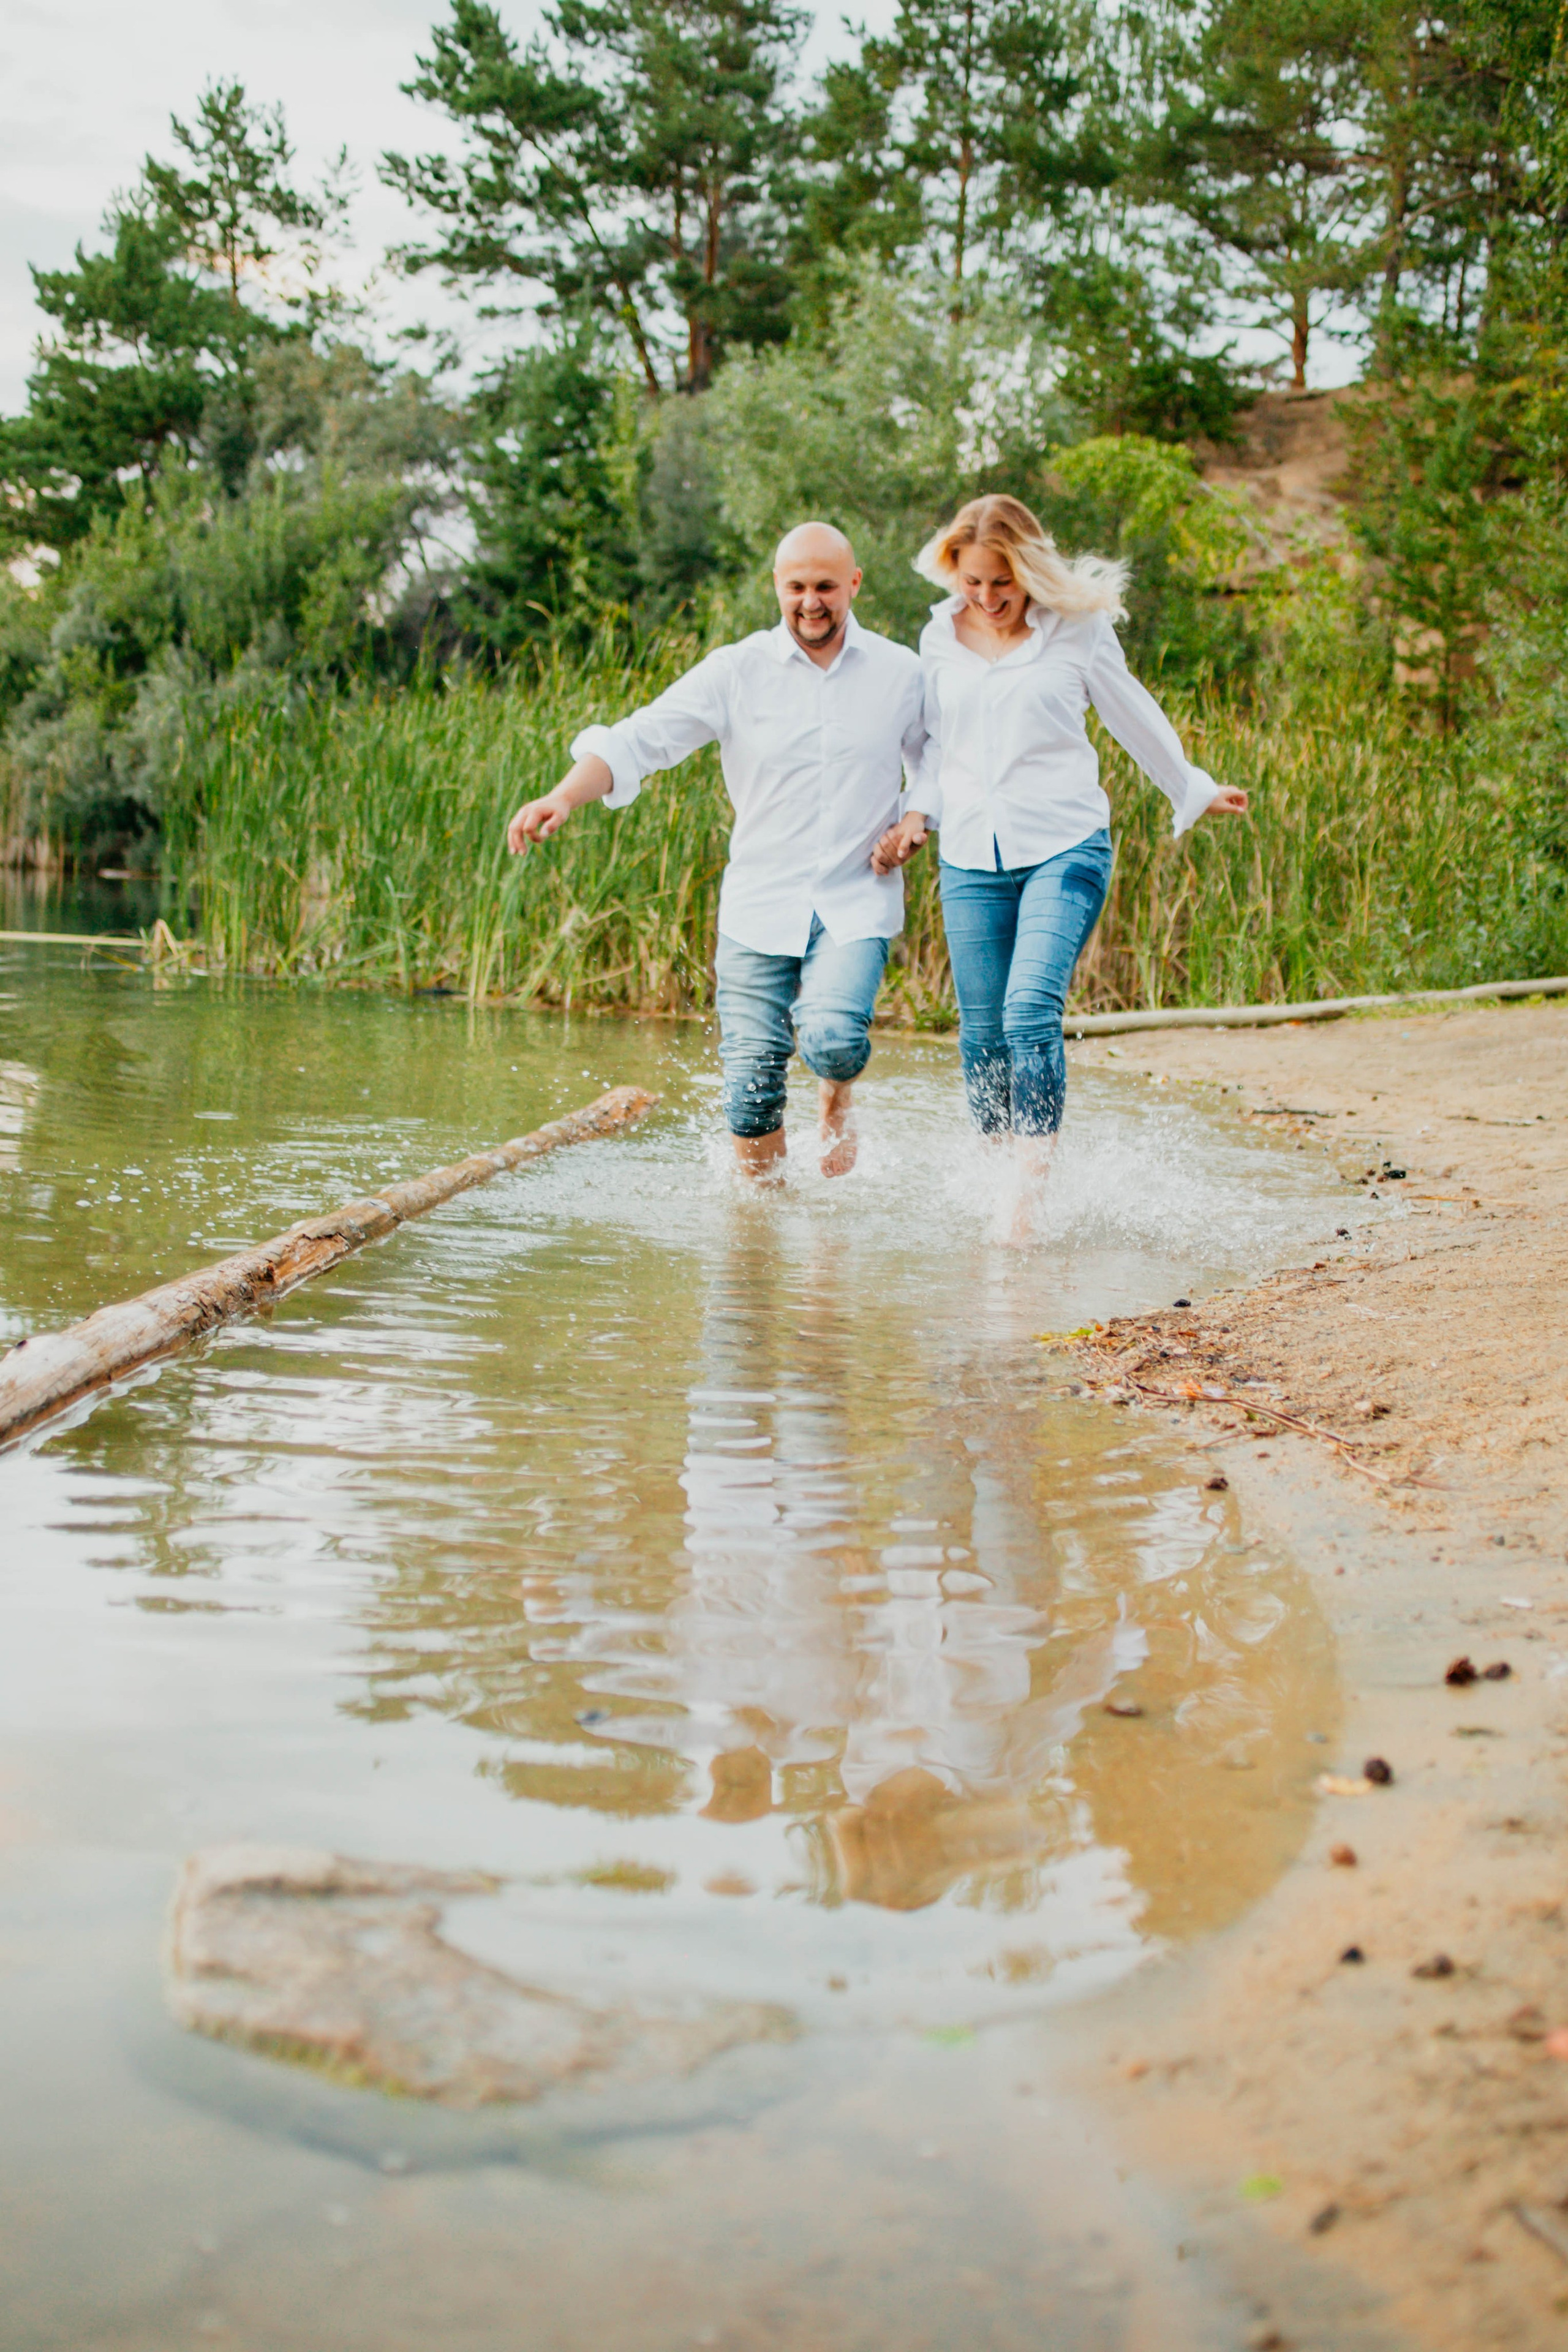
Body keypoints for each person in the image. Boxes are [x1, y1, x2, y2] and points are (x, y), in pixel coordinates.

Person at [506, 523, 927, 1180]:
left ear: (854, 584)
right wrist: (564, 796)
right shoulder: (737, 671)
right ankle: (763, 1235)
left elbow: (938, 758)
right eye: (796, 587)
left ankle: (836, 1092)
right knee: (751, 1091)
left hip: (854, 898)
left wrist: (913, 820)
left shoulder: (901, 672)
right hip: (761, 902)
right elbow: (641, 739)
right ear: (777, 588)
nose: (810, 602)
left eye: (824, 587)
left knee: (834, 1043)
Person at [873, 492, 1248, 1200]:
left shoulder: (1078, 631)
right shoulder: (936, 638)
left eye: (1002, 582)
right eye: (972, 581)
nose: (987, 598)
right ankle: (991, 1180)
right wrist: (917, 813)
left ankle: (1027, 1201)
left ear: (1029, 569)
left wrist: (1192, 788)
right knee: (982, 1034)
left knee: (1028, 1012)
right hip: (969, 859)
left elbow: (1132, 713)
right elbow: (930, 747)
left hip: (1064, 846)